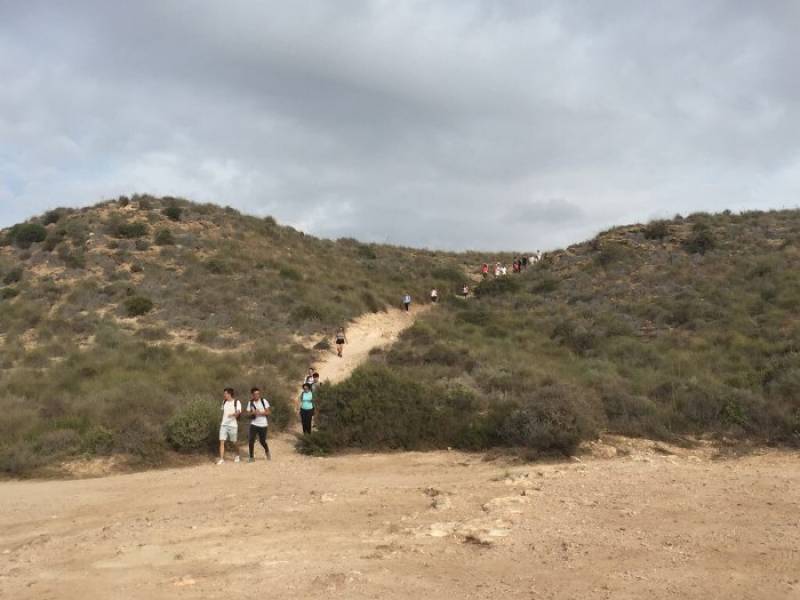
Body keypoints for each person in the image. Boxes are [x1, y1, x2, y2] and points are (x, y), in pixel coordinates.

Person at [217, 388, 242, 465]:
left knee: (234, 442)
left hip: (233, 425)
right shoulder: (224, 402)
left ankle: (237, 455)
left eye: (225, 393)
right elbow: (222, 412)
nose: (224, 395)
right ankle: (221, 459)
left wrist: (233, 414)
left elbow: (238, 412)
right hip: (223, 425)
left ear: (229, 394)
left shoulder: (236, 402)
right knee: (221, 441)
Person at [247, 387, 271, 462]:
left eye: (258, 394)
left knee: (262, 441)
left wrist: (260, 412)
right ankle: (251, 457)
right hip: (254, 424)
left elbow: (268, 412)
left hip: (263, 424)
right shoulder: (250, 402)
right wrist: (253, 413)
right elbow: (247, 413)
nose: (257, 395)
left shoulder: (264, 401)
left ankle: (267, 451)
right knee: (251, 440)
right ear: (252, 395)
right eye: (255, 394)